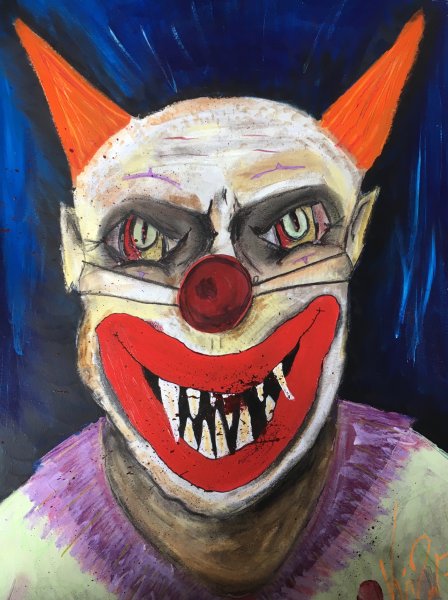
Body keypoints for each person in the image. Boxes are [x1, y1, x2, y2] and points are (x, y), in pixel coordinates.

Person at [0, 10, 447, 600]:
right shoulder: (21, 558)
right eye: (142, 238)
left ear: (355, 237)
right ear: (74, 254)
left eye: (291, 227)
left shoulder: (430, 506)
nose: (217, 300)